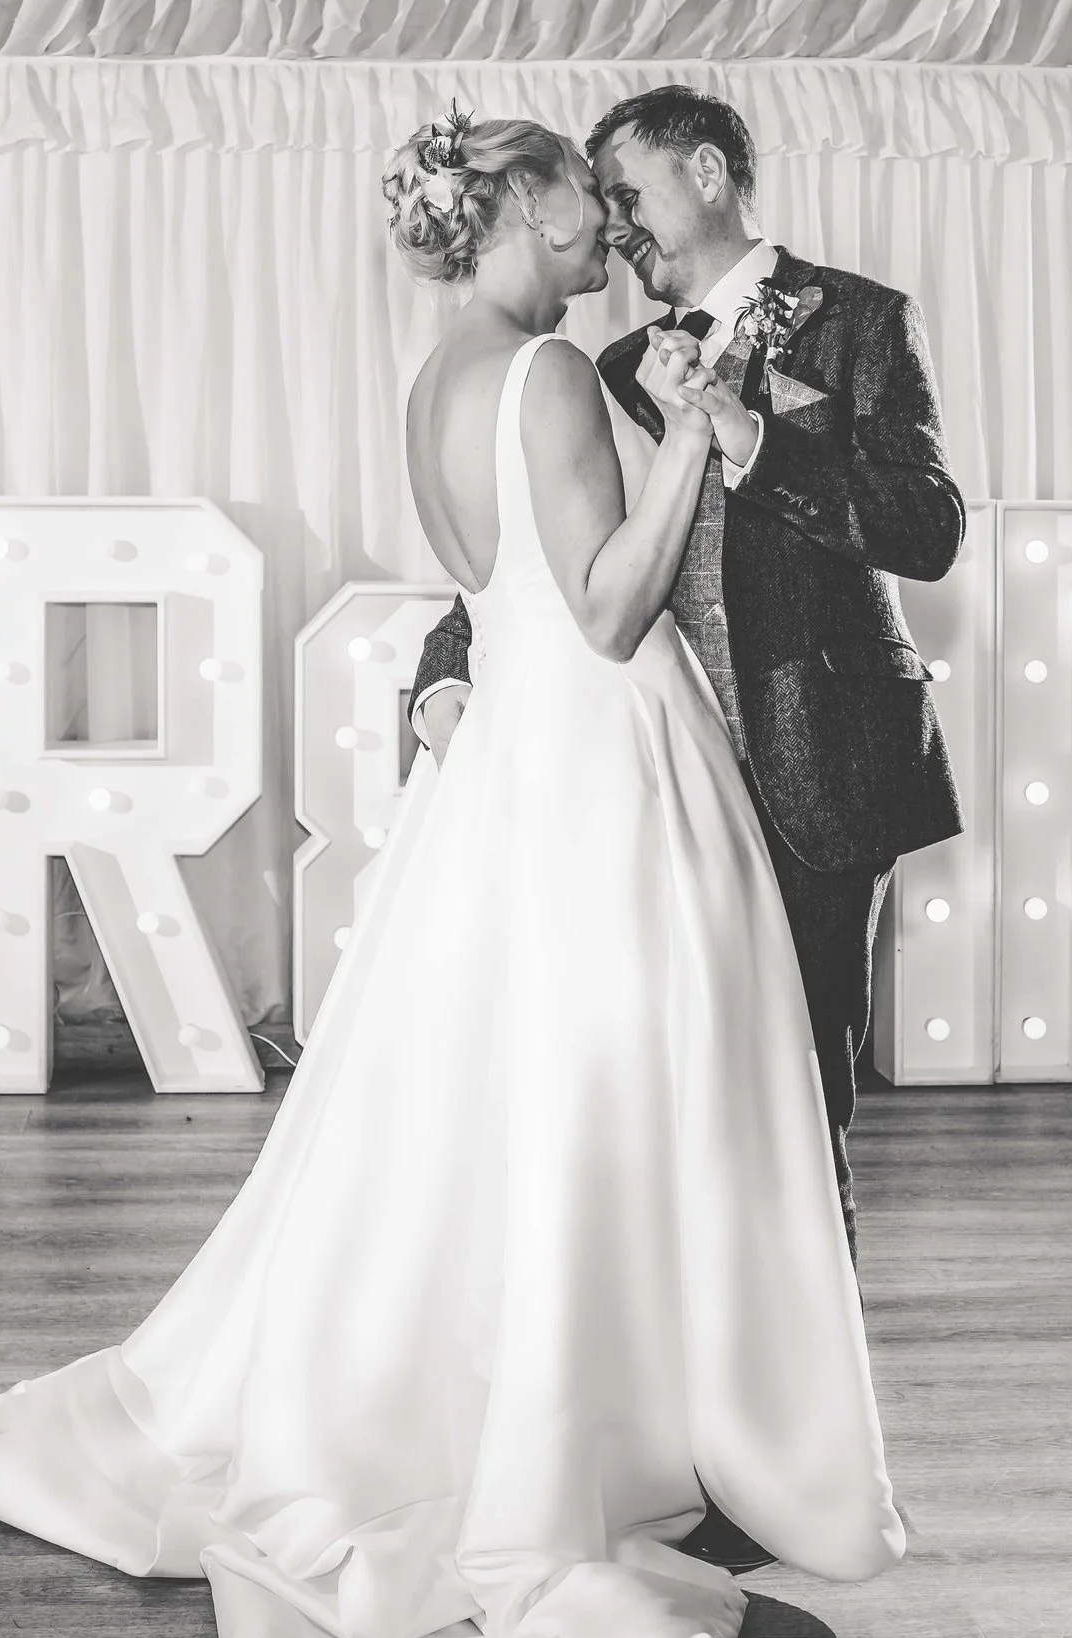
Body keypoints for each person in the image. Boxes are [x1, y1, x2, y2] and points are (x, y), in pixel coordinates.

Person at [0, 108, 904, 1638]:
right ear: (513, 208)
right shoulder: (557, 371)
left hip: (524, 763)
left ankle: (611, 1400)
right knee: (617, 1096)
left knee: (508, 1101)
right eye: (582, 205)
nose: (606, 237)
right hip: (601, 758)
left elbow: (496, 586)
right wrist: (698, 453)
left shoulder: (438, 376)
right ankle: (613, 1435)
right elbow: (601, 608)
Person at [411, 83, 968, 1278]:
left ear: (707, 173)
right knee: (658, 1092)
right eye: (597, 202)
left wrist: (753, 438)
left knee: (800, 1088)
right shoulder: (595, 366)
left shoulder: (860, 320)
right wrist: (443, 679)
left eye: (630, 194)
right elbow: (533, 554)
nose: (614, 227)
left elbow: (928, 528)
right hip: (644, 780)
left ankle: (803, 1367)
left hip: (807, 753)